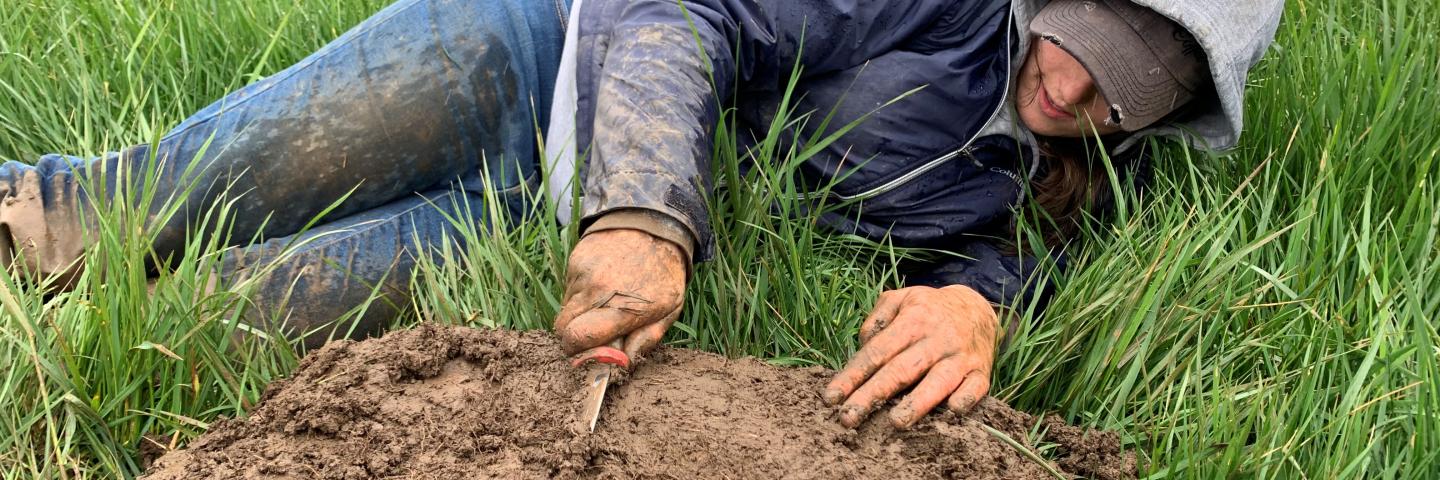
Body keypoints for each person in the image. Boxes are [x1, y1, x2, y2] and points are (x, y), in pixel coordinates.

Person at [0, 0, 1282, 428]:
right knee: (123, 213)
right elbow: (679, 8)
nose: (1064, 84)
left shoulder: (1102, 188)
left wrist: (974, 303)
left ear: (1171, 109)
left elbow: (991, 264)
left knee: (207, 328)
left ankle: (48, 372)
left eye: (1114, 89)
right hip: (533, 65)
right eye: (1073, 38)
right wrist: (644, 211)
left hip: (541, 246)